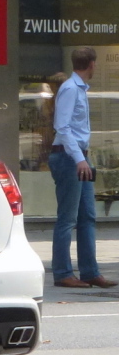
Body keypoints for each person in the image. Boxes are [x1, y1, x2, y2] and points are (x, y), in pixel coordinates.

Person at [50, 47, 116, 288]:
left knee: (87, 215)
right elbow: (62, 127)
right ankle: (62, 273)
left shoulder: (77, 88)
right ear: (91, 64)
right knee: (67, 218)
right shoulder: (70, 89)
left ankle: (90, 271)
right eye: (95, 63)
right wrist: (79, 159)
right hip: (69, 158)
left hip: (78, 158)